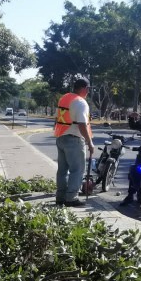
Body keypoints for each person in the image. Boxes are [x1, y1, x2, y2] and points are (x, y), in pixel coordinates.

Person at [53, 76, 93, 208]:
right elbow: (82, 124)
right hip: (74, 139)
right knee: (77, 170)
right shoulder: (81, 102)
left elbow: (57, 118)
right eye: (87, 89)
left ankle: (60, 197)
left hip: (61, 138)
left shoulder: (64, 98)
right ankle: (71, 198)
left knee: (62, 170)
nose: (88, 91)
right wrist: (89, 142)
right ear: (83, 88)